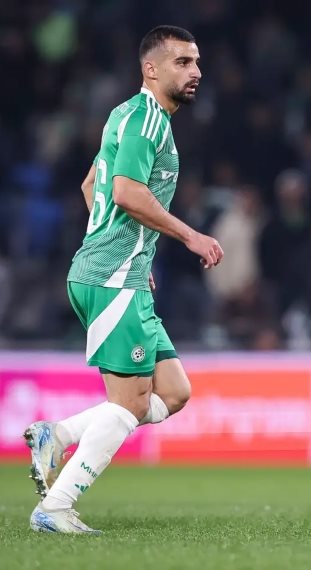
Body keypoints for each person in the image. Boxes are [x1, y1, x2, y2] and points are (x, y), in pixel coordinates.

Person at [23, 25, 224, 534]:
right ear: (151, 69)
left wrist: (131, 251)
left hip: (120, 272)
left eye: (197, 62)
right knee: (130, 404)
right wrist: (190, 236)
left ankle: (57, 435)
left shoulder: (126, 114)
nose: (196, 71)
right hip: (112, 278)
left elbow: (92, 184)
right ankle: (55, 508)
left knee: (174, 392)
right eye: (183, 62)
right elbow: (127, 193)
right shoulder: (147, 120)